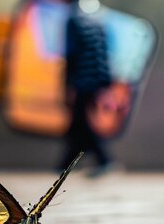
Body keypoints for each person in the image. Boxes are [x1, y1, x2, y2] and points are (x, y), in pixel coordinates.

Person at [59, 0, 114, 177]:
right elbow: (104, 53)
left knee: (81, 122)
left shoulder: (74, 20)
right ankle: (66, 164)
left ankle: (104, 160)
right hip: (96, 80)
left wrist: (67, 84)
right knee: (78, 123)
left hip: (83, 80)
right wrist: (105, 83)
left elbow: (72, 54)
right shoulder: (97, 19)